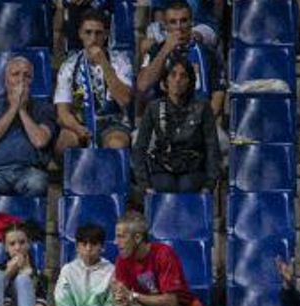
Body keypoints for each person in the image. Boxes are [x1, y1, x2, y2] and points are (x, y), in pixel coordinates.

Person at [111, 210, 209, 306]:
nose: (116, 242)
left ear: (137, 238)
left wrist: (133, 296)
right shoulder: (122, 260)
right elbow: (126, 300)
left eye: (121, 236)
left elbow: (171, 302)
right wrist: (122, 303)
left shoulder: (164, 254)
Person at [131, 59, 220, 194]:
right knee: (165, 186)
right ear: (165, 80)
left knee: (187, 186)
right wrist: (145, 185)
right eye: (173, 75)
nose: (178, 80)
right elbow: (140, 147)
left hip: (193, 168)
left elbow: (212, 146)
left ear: (190, 82)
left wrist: (210, 184)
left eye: (183, 76)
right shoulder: (154, 107)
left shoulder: (202, 108)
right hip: (163, 166)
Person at [53, 9, 134, 157]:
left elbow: (124, 100)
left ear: (106, 35)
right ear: (80, 34)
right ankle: (77, 180)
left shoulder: (121, 61)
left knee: (117, 144)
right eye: (88, 32)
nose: (93, 38)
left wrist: (103, 63)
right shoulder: (69, 65)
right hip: (80, 122)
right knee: (64, 144)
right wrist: (77, 128)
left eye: (98, 33)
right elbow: (63, 111)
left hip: (113, 122)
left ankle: (111, 180)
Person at [0, 55, 55, 198]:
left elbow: (40, 141)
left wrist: (22, 110)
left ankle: (27, 220)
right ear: (6, 80)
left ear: (32, 81)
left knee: (38, 184)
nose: (21, 80)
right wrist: (13, 108)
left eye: (27, 76)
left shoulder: (44, 108)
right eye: (15, 74)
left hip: (30, 170)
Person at [136, 0, 225, 125]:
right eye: (173, 22)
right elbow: (143, 85)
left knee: (222, 141)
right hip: (163, 122)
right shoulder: (156, 51)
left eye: (183, 21)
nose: (179, 27)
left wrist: (202, 124)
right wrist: (165, 50)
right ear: (165, 26)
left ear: (191, 22)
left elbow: (218, 94)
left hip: (200, 121)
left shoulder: (208, 53)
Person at [55, 223, 116, 306]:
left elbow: (112, 303)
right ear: (77, 247)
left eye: (93, 244)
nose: (88, 248)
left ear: (102, 247)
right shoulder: (68, 270)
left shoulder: (111, 270)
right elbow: (62, 299)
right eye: (84, 244)